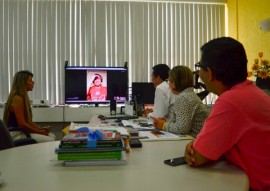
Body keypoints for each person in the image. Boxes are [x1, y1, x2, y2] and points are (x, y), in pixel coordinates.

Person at [185, 37, 270, 190]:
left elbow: (197, 157)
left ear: (209, 73)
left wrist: (195, 147)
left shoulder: (231, 101)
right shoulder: (253, 93)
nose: (198, 72)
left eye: (200, 66)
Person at [151, 66, 209, 138]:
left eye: (170, 81)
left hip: (195, 141)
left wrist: (163, 125)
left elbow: (181, 129)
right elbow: (177, 119)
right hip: (195, 140)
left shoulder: (184, 97)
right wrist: (164, 121)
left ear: (176, 82)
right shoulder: (187, 94)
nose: (169, 84)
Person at [3, 70, 56, 143]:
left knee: (52, 136)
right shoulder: (17, 98)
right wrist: (40, 132)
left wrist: (40, 128)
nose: (33, 82)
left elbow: (28, 122)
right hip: (16, 134)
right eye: (30, 80)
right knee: (50, 139)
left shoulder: (22, 97)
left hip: (21, 132)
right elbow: (22, 124)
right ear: (23, 83)